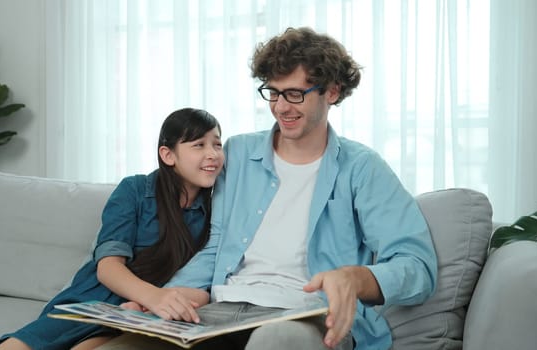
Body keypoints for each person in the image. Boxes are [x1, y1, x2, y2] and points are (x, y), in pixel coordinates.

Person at [99, 27, 437, 350]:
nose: (281, 107)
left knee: (274, 344)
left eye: (295, 94)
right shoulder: (239, 154)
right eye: (273, 93)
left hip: (304, 316)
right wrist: (167, 297)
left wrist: (354, 278)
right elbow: (217, 244)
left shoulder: (362, 167)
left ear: (331, 92)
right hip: (221, 310)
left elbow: (417, 267)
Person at [0, 108, 225, 350]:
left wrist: (159, 303)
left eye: (217, 145)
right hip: (90, 301)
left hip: (135, 317)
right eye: (199, 145)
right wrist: (154, 297)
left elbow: (206, 282)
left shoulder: (216, 210)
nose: (212, 154)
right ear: (168, 155)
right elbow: (108, 267)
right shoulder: (134, 190)